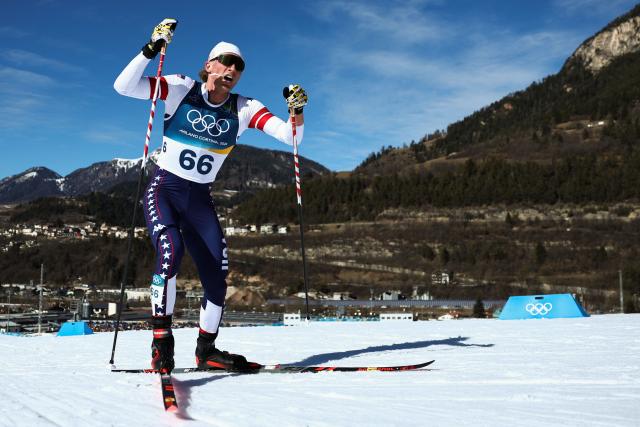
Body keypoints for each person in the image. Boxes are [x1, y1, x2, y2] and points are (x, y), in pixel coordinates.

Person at [113, 18, 308, 373]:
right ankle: (161, 344)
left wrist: (297, 111)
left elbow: (290, 138)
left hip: (200, 199)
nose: (232, 69)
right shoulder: (180, 88)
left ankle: (207, 350)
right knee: (171, 251)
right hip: (166, 190)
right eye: (226, 62)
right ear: (209, 66)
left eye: (238, 66)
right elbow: (123, 87)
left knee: (217, 275)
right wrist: (151, 48)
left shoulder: (244, 108)